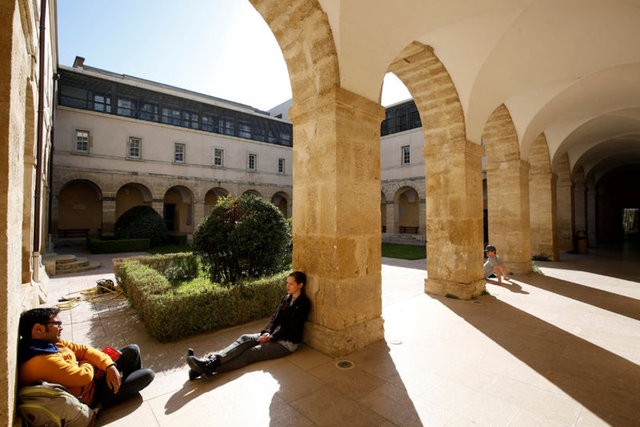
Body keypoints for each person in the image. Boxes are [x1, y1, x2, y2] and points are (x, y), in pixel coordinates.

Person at [18, 307, 155, 410]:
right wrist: (89, 362)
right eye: (57, 324)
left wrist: (109, 366)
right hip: (90, 397)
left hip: (91, 379)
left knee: (133, 350)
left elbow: (84, 350)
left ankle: (119, 384)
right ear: (38, 329)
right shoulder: (43, 361)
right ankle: (119, 389)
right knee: (147, 375)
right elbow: (83, 376)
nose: (61, 328)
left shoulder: (50, 343)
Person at [187, 271, 311, 380]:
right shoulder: (286, 298)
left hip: (286, 343)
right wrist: (266, 332)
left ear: (300, 285)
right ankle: (210, 362)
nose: (287, 286)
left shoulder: (304, 304)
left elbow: (291, 327)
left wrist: (271, 337)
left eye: (291, 284)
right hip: (273, 335)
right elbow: (275, 318)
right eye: (287, 283)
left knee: (249, 353)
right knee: (245, 338)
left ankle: (205, 369)